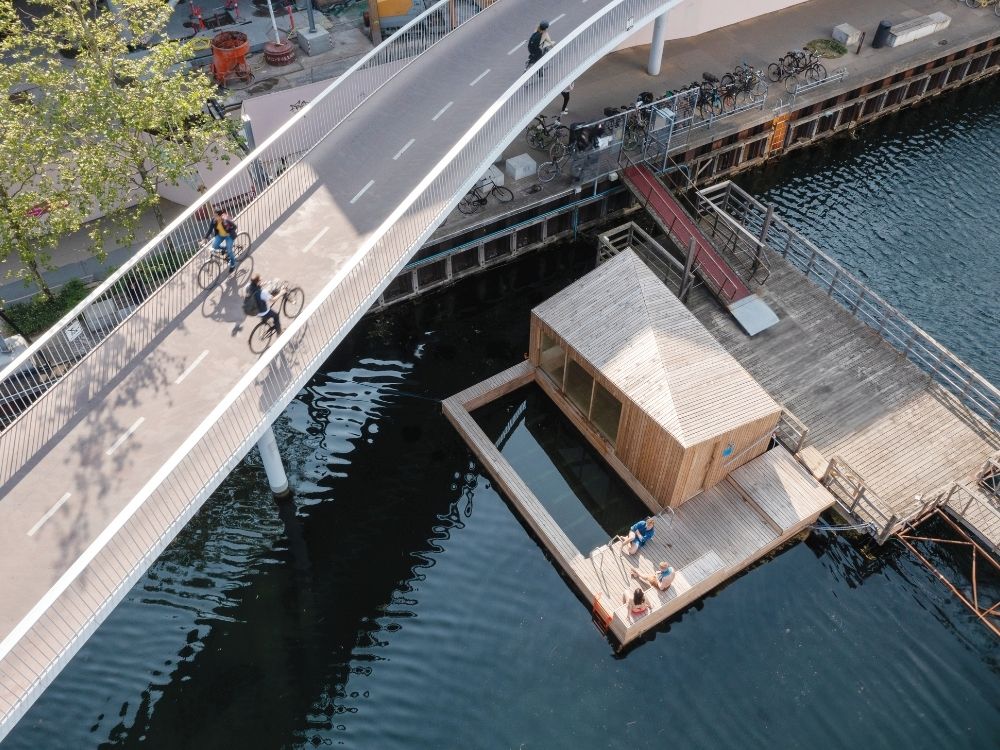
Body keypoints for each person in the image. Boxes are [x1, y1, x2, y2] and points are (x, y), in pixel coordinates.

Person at [204, 207, 238, 273]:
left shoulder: (225, 220)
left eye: (215, 215)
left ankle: (233, 264)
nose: (214, 216)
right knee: (214, 246)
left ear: (220, 216)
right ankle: (224, 249)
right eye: (214, 215)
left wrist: (230, 232)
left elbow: (234, 226)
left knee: (229, 250)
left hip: (229, 236)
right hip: (220, 235)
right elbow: (210, 229)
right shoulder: (214, 220)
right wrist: (205, 238)